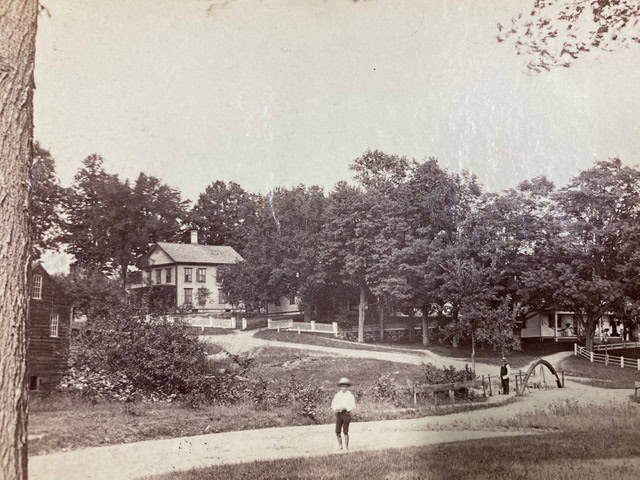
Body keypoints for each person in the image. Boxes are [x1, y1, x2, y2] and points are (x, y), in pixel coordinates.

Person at [331, 377, 356, 451]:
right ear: (340, 387)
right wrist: (336, 408)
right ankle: (340, 445)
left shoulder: (350, 395)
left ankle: (346, 447)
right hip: (339, 414)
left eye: (345, 386)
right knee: (337, 431)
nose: (344, 388)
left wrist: (345, 408)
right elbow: (333, 404)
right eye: (342, 386)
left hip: (346, 414)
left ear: (348, 387)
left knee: (345, 431)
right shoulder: (337, 395)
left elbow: (352, 405)